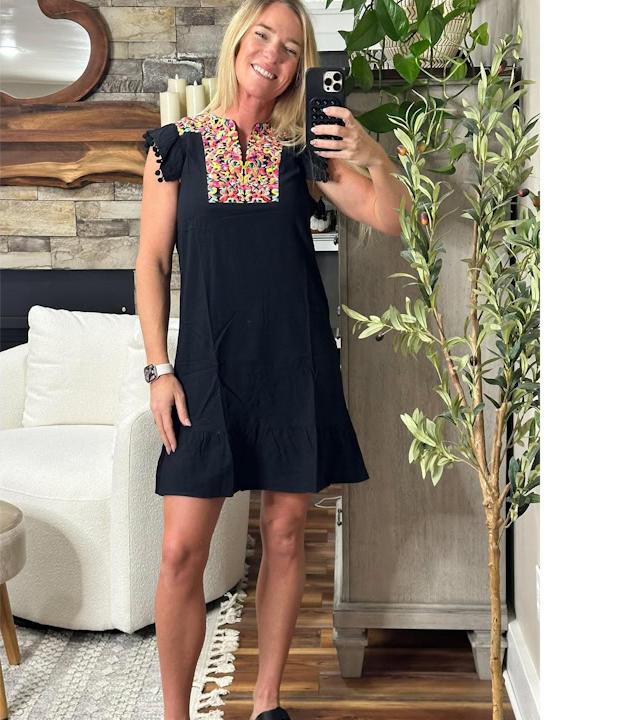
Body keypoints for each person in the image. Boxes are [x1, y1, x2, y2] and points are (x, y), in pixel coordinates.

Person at [136, 2, 410, 718]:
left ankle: (266, 704)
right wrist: (158, 370)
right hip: (204, 374)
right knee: (180, 553)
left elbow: (393, 217)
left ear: (299, 67)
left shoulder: (303, 152)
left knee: (285, 536)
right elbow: (150, 263)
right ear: (238, 42)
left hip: (294, 367)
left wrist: (371, 153)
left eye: (291, 47)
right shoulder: (176, 147)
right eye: (263, 36)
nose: (273, 54)